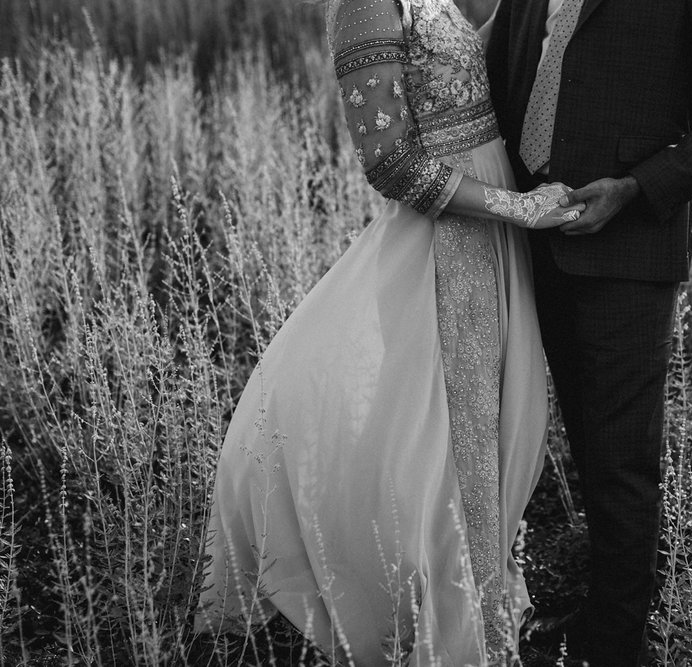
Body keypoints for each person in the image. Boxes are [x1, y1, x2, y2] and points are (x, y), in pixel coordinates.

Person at [195, 0, 584, 663]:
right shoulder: (361, 6)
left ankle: (469, 595)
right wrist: (514, 206)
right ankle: (443, 614)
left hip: (493, 231)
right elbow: (391, 163)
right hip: (451, 237)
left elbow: (464, 69)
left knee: (486, 424)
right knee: (450, 434)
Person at [484, 0, 692, 664]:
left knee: (620, 460)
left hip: (625, 254)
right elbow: (500, 78)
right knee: (558, 445)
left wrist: (635, 188)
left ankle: (614, 641)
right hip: (520, 244)